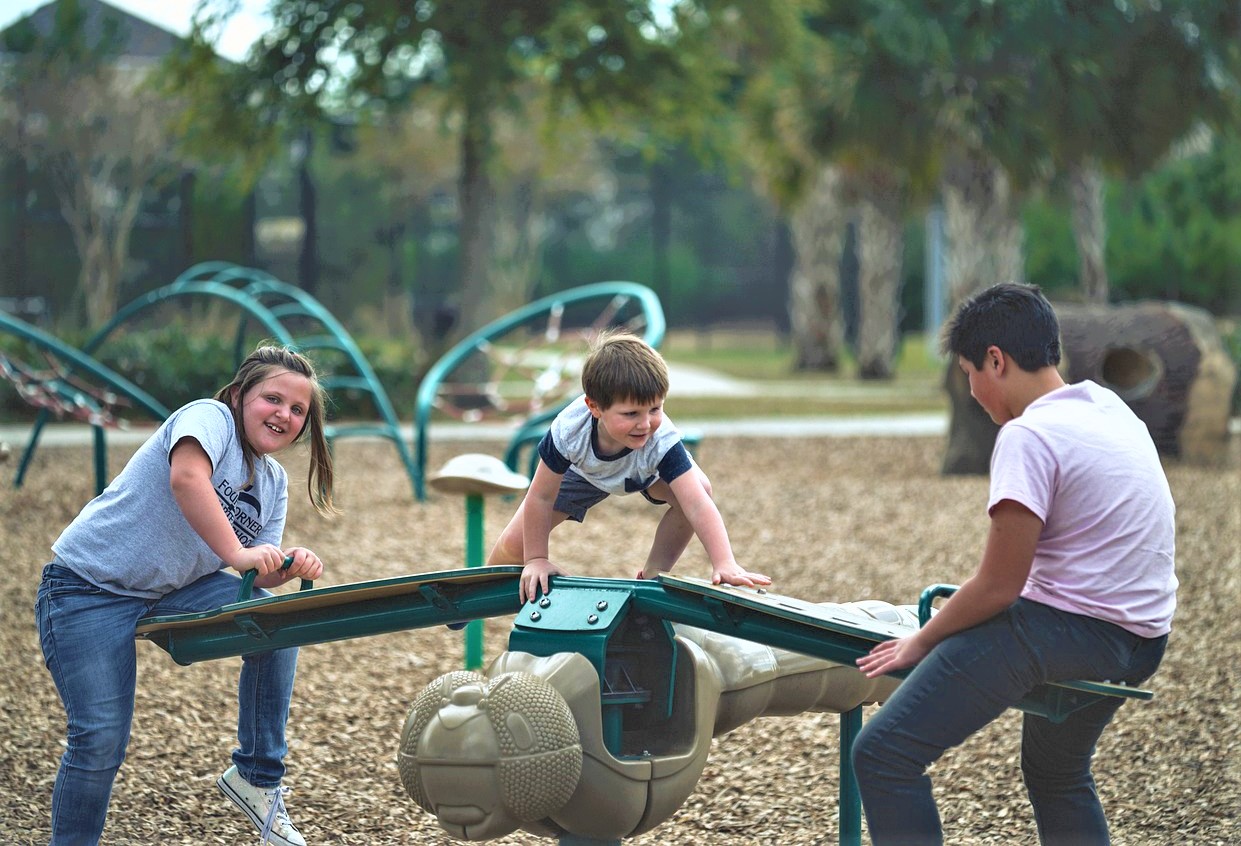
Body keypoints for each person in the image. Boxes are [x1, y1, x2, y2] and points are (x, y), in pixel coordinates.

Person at [852, 282, 1177, 845]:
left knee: (883, 755)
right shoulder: (1108, 406)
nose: (973, 391)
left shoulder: (1030, 435)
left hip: (1069, 632)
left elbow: (1001, 588)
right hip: (1144, 638)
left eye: (969, 372)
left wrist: (922, 639)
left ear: (995, 361)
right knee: (1058, 773)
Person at [35, 344, 338, 846]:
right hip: (85, 586)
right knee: (100, 739)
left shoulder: (272, 480)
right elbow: (187, 479)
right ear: (240, 397)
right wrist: (241, 556)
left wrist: (287, 564)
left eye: (298, 409)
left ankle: (256, 777)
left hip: (170, 591)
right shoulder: (209, 417)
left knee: (279, 621)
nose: (284, 414)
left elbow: (255, 571)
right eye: (273, 399)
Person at [487, 329, 770, 603]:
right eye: (631, 413)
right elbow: (541, 496)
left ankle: (653, 574)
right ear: (594, 407)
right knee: (515, 545)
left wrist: (725, 563)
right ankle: (471, 596)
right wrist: (536, 559)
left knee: (701, 488)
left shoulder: (659, 439)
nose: (645, 423)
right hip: (584, 474)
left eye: (655, 409)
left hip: (646, 473)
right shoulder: (569, 430)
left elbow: (696, 504)